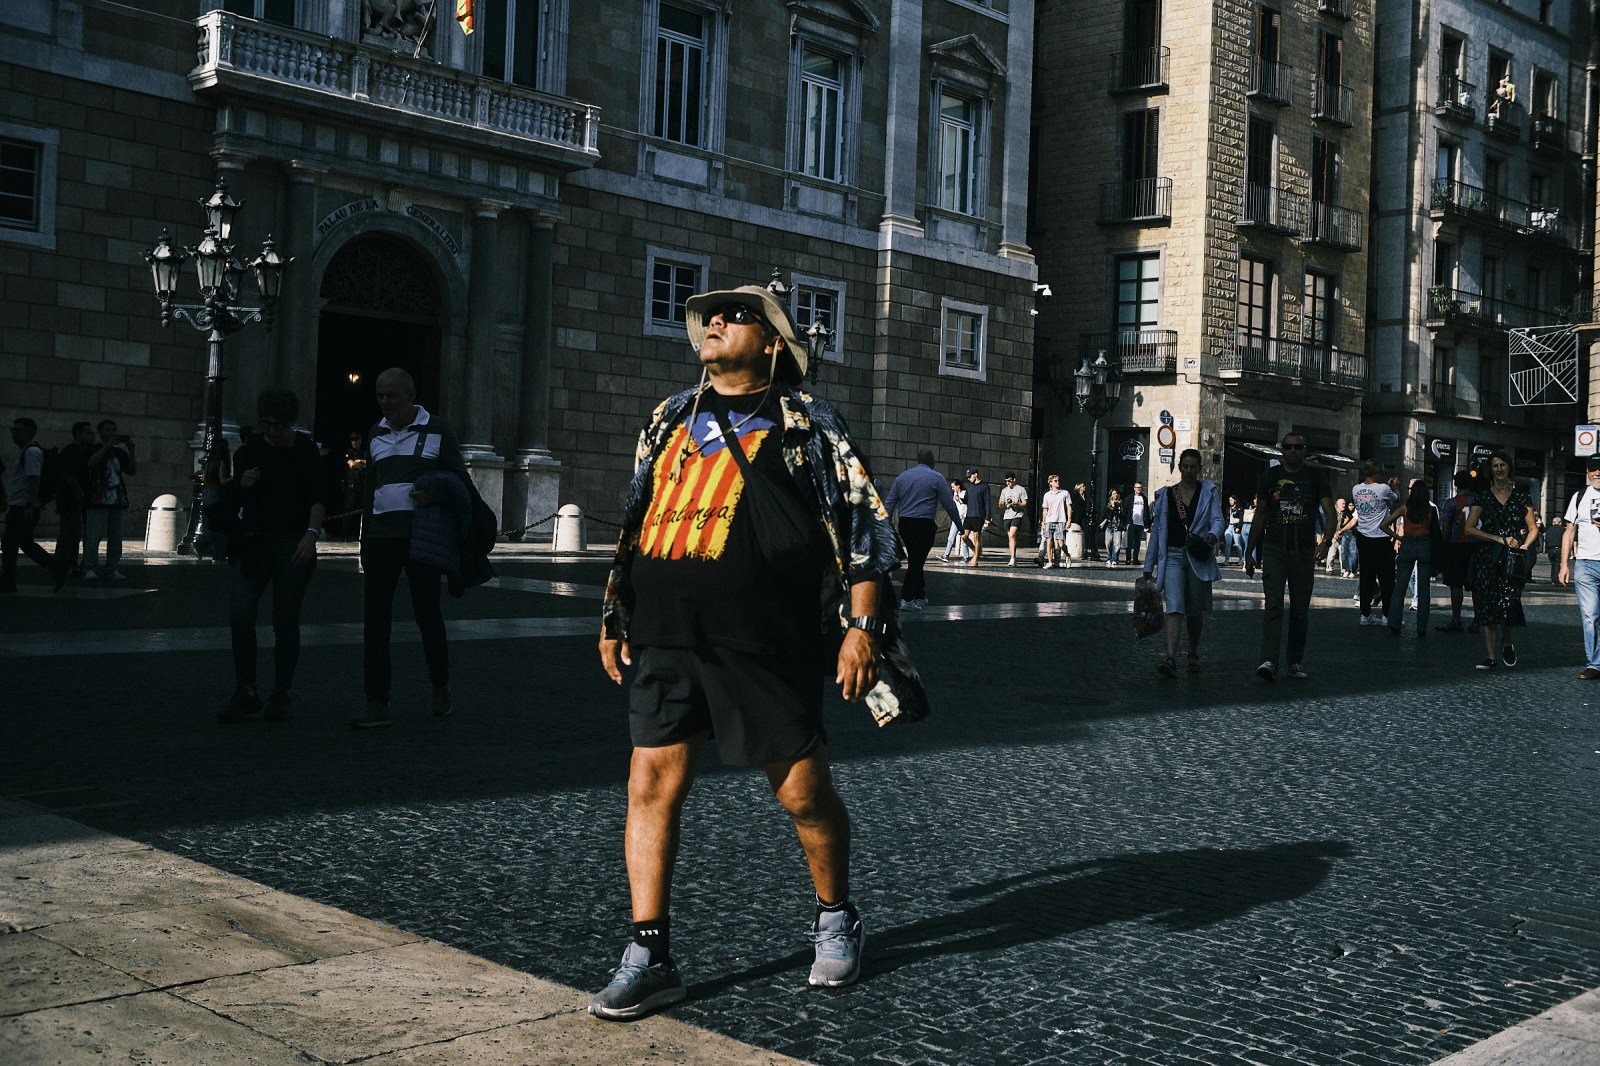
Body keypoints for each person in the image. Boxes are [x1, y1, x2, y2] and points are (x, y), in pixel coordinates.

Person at [591, 282, 905, 1020]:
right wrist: (615, 609)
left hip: (765, 641)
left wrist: (862, 630)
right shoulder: (670, 417)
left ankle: (836, 915)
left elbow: (864, 531)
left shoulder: (805, 423)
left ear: (771, 342)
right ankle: (651, 951)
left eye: (736, 316)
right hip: (666, 635)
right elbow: (637, 518)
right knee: (650, 787)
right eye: (710, 317)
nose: (715, 324)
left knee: (801, 793)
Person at [350, 367, 468, 728]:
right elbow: (371, 490)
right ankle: (376, 701)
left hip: (421, 537)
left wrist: (435, 495)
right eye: (380, 396)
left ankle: (440, 684)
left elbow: (459, 480)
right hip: (383, 537)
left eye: (393, 396)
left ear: (411, 394)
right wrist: (365, 540)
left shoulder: (439, 430)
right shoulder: (375, 433)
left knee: (427, 615)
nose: (386, 403)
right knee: (375, 621)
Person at [217, 389, 327, 722]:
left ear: (291, 423)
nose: (270, 431)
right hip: (255, 542)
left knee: (285, 620)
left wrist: (311, 536)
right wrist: (241, 483)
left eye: (277, 425)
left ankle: (282, 691)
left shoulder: (306, 450)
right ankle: (246, 690)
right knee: (240, 613)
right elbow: (231, 496)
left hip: (293, 541)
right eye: (265, 423)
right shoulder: (251, 448)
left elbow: (318, 497)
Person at [1245, 432, 1335, 681]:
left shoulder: (1316, 477)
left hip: (1304, 550)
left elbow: (1330, 514)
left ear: (1304, 450)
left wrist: (1326, 542)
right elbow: (1260, 514)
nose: (1293, 451)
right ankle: (1269, 660)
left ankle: (1295, 660)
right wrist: (1250, 552)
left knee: (1299, 610)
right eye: (1288, 447)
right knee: (1273, 605)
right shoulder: (1271, 477)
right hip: (1274, 548)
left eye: (1298, 447)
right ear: (1282, 450)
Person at [1143, 450, 1225, 676]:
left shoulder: (1208, 492)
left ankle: (1192, 652)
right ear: (1179, 467)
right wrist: (1148, 567)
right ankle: (1170, 657)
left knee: (1195, 609)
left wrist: (1213, 534)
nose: (1189, 471)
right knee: (1175, 606)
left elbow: (1218, 520)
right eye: (1185, 466)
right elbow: (1158, 533)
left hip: (1197, 556)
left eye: (1193, 467)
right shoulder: (1166, 496)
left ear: (1200, 468)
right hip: (1172, 556)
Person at [1464, 451, 1538, 671]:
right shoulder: (1483, 497)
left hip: (1512, 559)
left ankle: (1507, 642)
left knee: (1508, 603)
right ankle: (1490, 656)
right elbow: (1469, 528)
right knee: (1488, 605)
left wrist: (1524, 546)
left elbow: (1533, 528)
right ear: (1491, 470)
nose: (1499, 469)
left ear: (1509, 468)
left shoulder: (1522, 497)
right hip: (1488, 557)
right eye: (1495, 465)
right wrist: (1497, 538)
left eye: (1503, 465)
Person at [882, 449, 960, 610]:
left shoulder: (902, 477)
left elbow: (889, 503)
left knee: (915, 559)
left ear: (917, 460)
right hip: (924, 524)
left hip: (905, 524)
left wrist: (884, 523)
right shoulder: (937, 477)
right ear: (932, 462)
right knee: (917, 562)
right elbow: (949, 505)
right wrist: (960, 526)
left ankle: (920, 595)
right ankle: (907, 598)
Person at [3, 417, 65, 593]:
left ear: (30, 432)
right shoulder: (26, 451)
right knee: (16, 543)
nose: (14, 433)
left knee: (16, 543)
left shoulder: (31, 452)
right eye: (13, 430)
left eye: (19, 430)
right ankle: (9, 580)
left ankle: (57, 569)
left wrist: (29, 505)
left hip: (24, 505)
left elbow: (34, 478)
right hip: (22, 504)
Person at [1557, 455, 1600, 680]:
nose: (1597, 473)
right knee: (1590, 614)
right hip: (1585, 564)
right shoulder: (1578, 497)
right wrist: (1564, 564)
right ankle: (1595, 664)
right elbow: (1569, 532)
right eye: (1593, 469)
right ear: (1587, 472)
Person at [1380, 480, 1441, 636]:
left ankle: (1394, 623)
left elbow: (1383, 525)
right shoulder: (1430, 510)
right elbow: (1436, 533)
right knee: (1424, 590)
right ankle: (1421, 628)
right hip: (1425, 545)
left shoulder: (1404, 509)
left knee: (1400, 587)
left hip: (1407, 544)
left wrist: (1397, 537)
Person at [83, 419, 135, 581]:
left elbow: (132, 471)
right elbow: (90, 463)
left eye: (114, 430)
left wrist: (131, 450)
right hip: (97, 499)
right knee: (93, 535)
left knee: (116, 536)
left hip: (118, 500)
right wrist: (106, 446)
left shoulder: (120, 453)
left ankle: (112, 567)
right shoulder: (94, 449)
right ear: (100, 432)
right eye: (108, 430)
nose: (111, 433)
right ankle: (89, 567)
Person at [1349, 460, 1398, 626]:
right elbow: (1395, 499)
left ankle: (1365, 614)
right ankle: (1387, 614)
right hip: (1381, 537)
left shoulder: (1356, 489)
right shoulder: (1383, 488)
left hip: (1363, 537)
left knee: (1366, 577)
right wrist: (1394, 487)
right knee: (1387, 578)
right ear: (1376, 474)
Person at [1434, 470, 1477, 632]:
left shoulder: (1451, 503)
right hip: (1476, 545)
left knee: (1455, 584)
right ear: (1471, 484)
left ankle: (1456, 619)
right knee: (1476, 585)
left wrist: (1442, 546)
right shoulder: (1479, 502)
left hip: (1456, 545)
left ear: (1455, 484)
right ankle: (1477, 621)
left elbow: (1446, 529)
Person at [54, 422, 94, 579]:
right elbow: (67, 474)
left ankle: (67, 563)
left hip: (71, 498)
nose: (91, 436)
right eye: (88, 433)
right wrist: (79, 491)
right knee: (70, 532)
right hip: (70, 499)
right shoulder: (73, 450)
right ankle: (65, 564)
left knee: (72, 532)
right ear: (78, 434)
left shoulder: (80, 451)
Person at [1038, 474, 1073, 568]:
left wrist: (1069, 519)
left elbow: (1069, 507)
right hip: (1049, 520)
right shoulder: (1047, 495)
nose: (1057, 482)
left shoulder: (1065, 493)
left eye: (1058, 480)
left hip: (1061, 520)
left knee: (1061, 544)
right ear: (1050, 483)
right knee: (1049, 541)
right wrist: (1043, 521)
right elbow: (1045, 509)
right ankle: (1050, 561)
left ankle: (1067, 555)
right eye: (1055, 481)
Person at [962, 468, 992, 566]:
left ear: (975, 474)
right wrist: (960, 498)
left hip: (978, 515)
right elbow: (966, 499)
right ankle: (976, 551)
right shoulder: (969, 487)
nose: (968, 479)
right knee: (964, 536)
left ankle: (975, 559)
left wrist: (987, 517)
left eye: (970, 476)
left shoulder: (984, 487)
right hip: (969, 515)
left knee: (976, 538)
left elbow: (987, 503)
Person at [999, 473, 1028, 566]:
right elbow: (1000, 504)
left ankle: (1012, 558)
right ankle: (1012, 556)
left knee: (1012, 534)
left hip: (1017, 514)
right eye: (1006, 481)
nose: (1008, 483)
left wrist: (1016, 504)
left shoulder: (1021, 489)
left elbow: (1025, 503)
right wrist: (1001, 503)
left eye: (1009, 481)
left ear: (1014, 480)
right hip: (1007, 515)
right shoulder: (1004, 490)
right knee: (1010, 537)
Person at [941, 478, 969, 562]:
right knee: (951, 537)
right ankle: (946, 555)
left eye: (953, 487)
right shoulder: (954, 493)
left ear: (958, 486)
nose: (952, 488)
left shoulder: (965, 493)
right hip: (956, 518)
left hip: (964, 518)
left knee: (964, 538)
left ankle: (966, 557)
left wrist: (959, 499)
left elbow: (966, 503)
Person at [1102, 487, 1127, 565]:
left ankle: (1115, 558)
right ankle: (1109, 557)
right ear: (1111, 495)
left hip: (1118, 525)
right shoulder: (1108, 504)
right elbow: (1105, 514)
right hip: (1109, 525)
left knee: (1117, 543)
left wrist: (1116, 507)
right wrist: (1111, 508)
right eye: (1113, 494)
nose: (1115, 495)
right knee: (1108, 542)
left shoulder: (1121, 503)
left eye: (1116, 493)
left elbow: (1123, 514)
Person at [1127, 482, 1148, 564]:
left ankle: (1135, 559)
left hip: (1140, 523)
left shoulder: (1144, 499)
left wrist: (1147, 523)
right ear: (1134, 488)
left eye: (1140, 487)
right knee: (1129, 542)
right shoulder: (1129, 498)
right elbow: (1126, 510)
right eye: (1137, 487)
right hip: (1131, 523)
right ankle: (1128, 558)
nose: (1138, 489)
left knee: (1137, 543)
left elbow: (1146, 511)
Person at [1222, 494, 1245, 565]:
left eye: (1231, 500)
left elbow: (1241, 519)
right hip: (1229, 526)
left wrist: (1239, 527)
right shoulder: (1228, 509)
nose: (1230, 502)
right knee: (1228, 543)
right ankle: (1227, 560)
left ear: (1235, 500)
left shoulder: (1239, 509)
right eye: (1229, 500)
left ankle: (1241, 559)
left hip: (1236, 527)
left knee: (1237, 543)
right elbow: (1227, 518)